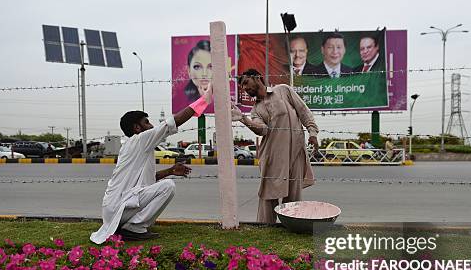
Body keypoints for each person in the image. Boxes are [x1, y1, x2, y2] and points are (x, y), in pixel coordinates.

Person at [90, 85, 213, 244]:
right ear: (137, 128)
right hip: (119, 207)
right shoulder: (140, 140)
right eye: (147, 123)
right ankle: (134, 228)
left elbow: (146, 182)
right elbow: (172, 122)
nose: (151, 126)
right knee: (168, 186)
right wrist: (204, 100)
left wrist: (170, 170)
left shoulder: (133, 147)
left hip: (114, 209)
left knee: (165, 183)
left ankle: (130, 226)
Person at [231, 69, 319, 224]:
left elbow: (303, 111)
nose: (244, 88)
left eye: (246, 82)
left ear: (257, 78)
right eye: (242, 86)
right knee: (268, 195)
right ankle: (266, 227)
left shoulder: (283, 90)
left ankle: (292, 227)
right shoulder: (255, 110)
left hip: (295, 152)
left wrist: (312, 132)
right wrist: (243, 119)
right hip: (272, 157)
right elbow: (262, 130)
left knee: (293, 197)